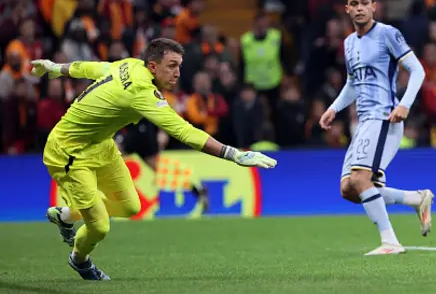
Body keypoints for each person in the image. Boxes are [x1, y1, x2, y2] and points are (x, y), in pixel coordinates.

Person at [30, 38, 277, 281]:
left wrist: (55, 67)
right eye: (171, 65)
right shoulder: (142, 91)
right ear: (152, 66)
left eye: (179, 65)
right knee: (100, 227)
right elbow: (184, 132)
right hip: (68, 151)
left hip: (101, 146)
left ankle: (64, 216)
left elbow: (90, 67)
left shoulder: (128, 64)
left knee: (130, 207)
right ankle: (80, 260)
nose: (178, 73)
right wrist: (234, 154)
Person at [319, 0, 432, 256]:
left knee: (360, 179)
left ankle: (390, 241)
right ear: (347, 9)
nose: (359, 8)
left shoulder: (387, 34)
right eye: (354, 4)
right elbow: (353, 84)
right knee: (348, 188)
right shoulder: (348, 43)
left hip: (384, 117)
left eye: (364, 3)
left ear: (374, 7)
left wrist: (404, 105)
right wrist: (334, 107)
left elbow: (417, 71)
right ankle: (416, 198)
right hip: (364, 121)